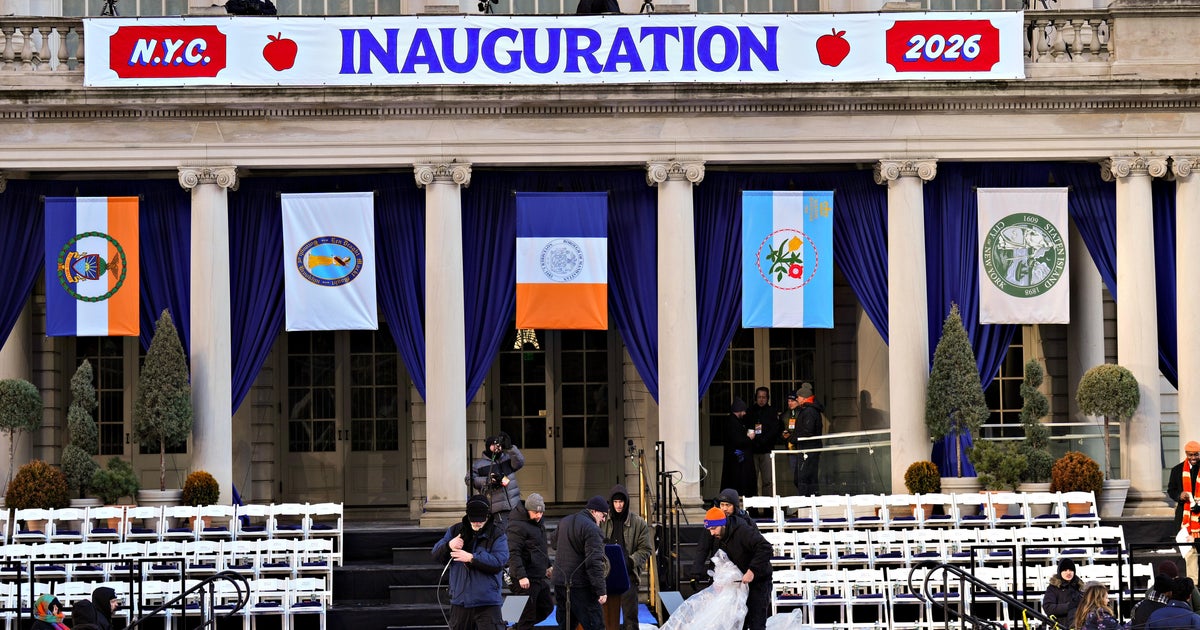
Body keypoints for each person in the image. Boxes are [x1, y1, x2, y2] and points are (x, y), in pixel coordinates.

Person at [431, 494, 510, 630]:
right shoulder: (455, 530)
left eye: (480, 520)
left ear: (487, 516)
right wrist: (449, 545)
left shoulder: (497, 534)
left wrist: (472, 558)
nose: (477, 523)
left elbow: (499, 562)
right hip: (460, 601)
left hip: (487, 603)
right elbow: (436, 555)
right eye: (473, 520)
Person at [701, 506, 773, 630]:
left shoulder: (742, 530)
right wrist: (719, 580)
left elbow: (765, 547)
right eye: (709, 530)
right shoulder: (719, 537)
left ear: (722, 524)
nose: (712, 533)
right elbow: (721, 560)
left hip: (758, 581)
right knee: (738, 622)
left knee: (757, 622)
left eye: (714, 528)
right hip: (739, 584)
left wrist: (752, 571)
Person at [551, 496, 609, 630]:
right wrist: (601, 590)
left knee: (566, 625)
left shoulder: (564, 521)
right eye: (603, 515)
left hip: (560, 582)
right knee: (596, 625)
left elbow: (554, 543)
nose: (604, 519)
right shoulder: (593, 529)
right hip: (581, 585)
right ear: (594, 511)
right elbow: (594, 562)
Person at [601, 485, 653, 630]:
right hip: (605, 573)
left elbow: (646, 549)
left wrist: (630, 561)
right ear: (611, 502)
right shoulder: (603, 521)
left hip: (627, 573)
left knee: (630, 617)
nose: (619, 505)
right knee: (604, 616)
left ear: (626, 502)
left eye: (621, 502)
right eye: (616, 502)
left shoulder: (638, 522)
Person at [689, 489, 758, 582]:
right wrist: (695, 573)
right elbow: (703, 547)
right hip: (718, 571)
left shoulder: (746, 521)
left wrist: (752, 571)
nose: (724, 508)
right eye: (722, 505)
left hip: (740, 572)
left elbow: (757, 547)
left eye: (728, 505)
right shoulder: (713, 519)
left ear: (735, 506)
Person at [508, 493, 553, 630]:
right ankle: (513, 626)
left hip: (537, 576)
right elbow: (513, 552)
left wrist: (548, 566)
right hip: (523, 578)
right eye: (535, 512)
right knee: (524, 617)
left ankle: (515, 627)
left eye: (541, 512)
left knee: (547, 607)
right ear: (527, 510)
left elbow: (541, 548)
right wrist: (521, 576)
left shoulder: (538, 523)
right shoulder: (516, 525)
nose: (539, 515)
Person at [472, 431, 525, 529]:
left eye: (499, 445)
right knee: (503, 535)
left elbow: (520, 462)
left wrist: (510, 448)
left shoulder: (507, 458)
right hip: (498, 509)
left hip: (515, 505)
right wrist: (488, 480)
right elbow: (470, 480)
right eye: (494, 445)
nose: (497, 447)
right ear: (488, 446)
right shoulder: (479, 464)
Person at [780, 383, 823, 495]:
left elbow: (807, 432)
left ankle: (807, 504)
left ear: (804, 398)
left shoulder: (809, 411)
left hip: (808, 450)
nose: (797, 398)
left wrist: (792, 438)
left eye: (798, 397)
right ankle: (808, 503)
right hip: (807, 449)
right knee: (804, 479)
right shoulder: (808, 410)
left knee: (804, 480)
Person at [1168, 441, 1200, 579]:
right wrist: (1179, 495)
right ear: (1186, 454)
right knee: (1190, 553)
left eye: (1196, 454)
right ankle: (1194, 586)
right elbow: (1171, 490)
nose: (1193, 457)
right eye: (1190, 454)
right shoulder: (1177, 470)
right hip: (1185, 518)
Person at [720, 397, 757, 500]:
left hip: (735, 458)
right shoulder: (733, 423)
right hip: (737, 459)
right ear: (739, 410)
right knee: (737, 482)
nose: (744, 413)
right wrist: (749, 438)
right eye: (743, 411)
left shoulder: (733, 421)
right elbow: (738, 441)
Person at [747, 386, 781, 499]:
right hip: (753, 450)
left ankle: (768, 507)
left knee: (767, 481)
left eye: (764, 397)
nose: (761, 399)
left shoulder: (772, 412)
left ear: (768, 398)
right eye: (759, 397)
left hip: (767, 450)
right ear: (756, 398)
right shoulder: (750, 411)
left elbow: (775, 429)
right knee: (752, 480)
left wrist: (764, 440)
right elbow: (747, 428)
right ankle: (753, 508)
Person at [1043, 558, 1084, 629]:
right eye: (1065, 570)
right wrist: (1069, 606)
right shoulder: (1053, 588)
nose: (1068, 573)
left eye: (1071, 570)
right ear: (1060, 572)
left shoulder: (1080, 586)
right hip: (1060, 625)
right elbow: (1048, 607)